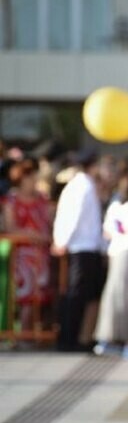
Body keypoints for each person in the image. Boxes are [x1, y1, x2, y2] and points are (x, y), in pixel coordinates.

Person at [52, 149, 105, 352]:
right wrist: (62, 241)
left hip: (87, 247)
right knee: (76, 295)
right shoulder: (81, 187)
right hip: (80, 247)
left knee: (84, 295)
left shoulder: (84, 185)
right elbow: (72, 217)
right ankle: (69, 338)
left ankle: (78, 337)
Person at [93, 173, 128, 358]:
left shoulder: (115, 207)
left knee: (114, 297)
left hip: (115, 253)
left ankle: (108, 339)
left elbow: (107, 232)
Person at [2, 158, 53, 335]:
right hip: (23, 256)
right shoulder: (12, 201)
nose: (33, 181)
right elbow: (10, 227)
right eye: (29, 178)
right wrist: (30, 235)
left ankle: (34, 333)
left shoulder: (42, 199)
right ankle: (24, 334)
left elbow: (49, 222)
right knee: (25, 298)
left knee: (39, 298)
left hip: (41, 255)